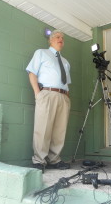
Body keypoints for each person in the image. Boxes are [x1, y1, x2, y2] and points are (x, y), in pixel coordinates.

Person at [26, 30, 71, 171]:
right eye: (57, 37)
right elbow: (32, 73)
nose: (61, 39)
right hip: (46, 93)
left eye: (62, 38)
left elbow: (66, 82)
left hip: (63, 96)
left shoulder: (65, 62)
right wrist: (37, 94)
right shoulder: (41, 53)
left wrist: (67, 97)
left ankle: (54, 159)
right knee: (43, 128)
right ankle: (39, 160)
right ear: (50, 40)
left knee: (59, 130)